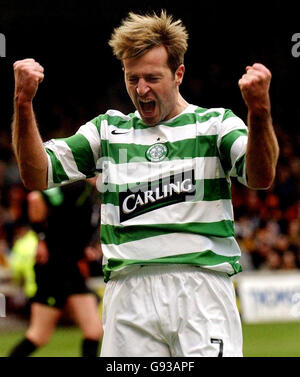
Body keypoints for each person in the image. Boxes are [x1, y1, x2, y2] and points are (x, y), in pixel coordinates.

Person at [11, 10, 279, 357]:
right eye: (132, 78)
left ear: (178, 73)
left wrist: (259, 112)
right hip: (127, 294)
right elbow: (37, 174)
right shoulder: (107, 131)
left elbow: (261, 176)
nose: (141, 90)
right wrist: (23, 103)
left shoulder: (215, 125)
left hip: (201, 289)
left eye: (152, 78)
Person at [8, 180, 103, 357]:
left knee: (94, 330)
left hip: (71, 268)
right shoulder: (76, 186)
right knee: (39, 335)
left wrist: (88, 248)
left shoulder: (93, 194)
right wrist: (41, 238)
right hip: (53, 269)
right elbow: (35, 198)